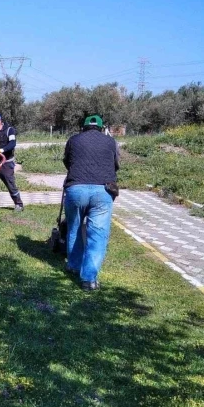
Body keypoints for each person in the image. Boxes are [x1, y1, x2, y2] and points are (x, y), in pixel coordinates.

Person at [62, 114, 120, 291]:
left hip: (76, 189)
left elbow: (67, 161)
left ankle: (73, 265)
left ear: (84, 127)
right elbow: (116, 164)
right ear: (102, 128)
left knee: (74, 228)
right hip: (103, 191)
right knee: (98, 235)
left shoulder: (73, 140)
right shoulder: (111, 142)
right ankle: (88, 279)